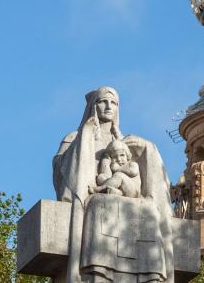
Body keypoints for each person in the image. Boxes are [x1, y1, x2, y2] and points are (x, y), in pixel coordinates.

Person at [53, 86, 174, 283]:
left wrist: (147, 148)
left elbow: (144, 173)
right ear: (93, 105)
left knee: (150, 211)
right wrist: (85, 137)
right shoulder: (74, 137)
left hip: (129, 199)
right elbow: (60, 171)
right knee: (100, 203)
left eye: (114, 103)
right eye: (103, 101)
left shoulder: (126, 141)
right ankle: (99, 270)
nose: (109, 106)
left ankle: (150, 274)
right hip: (97, 201)